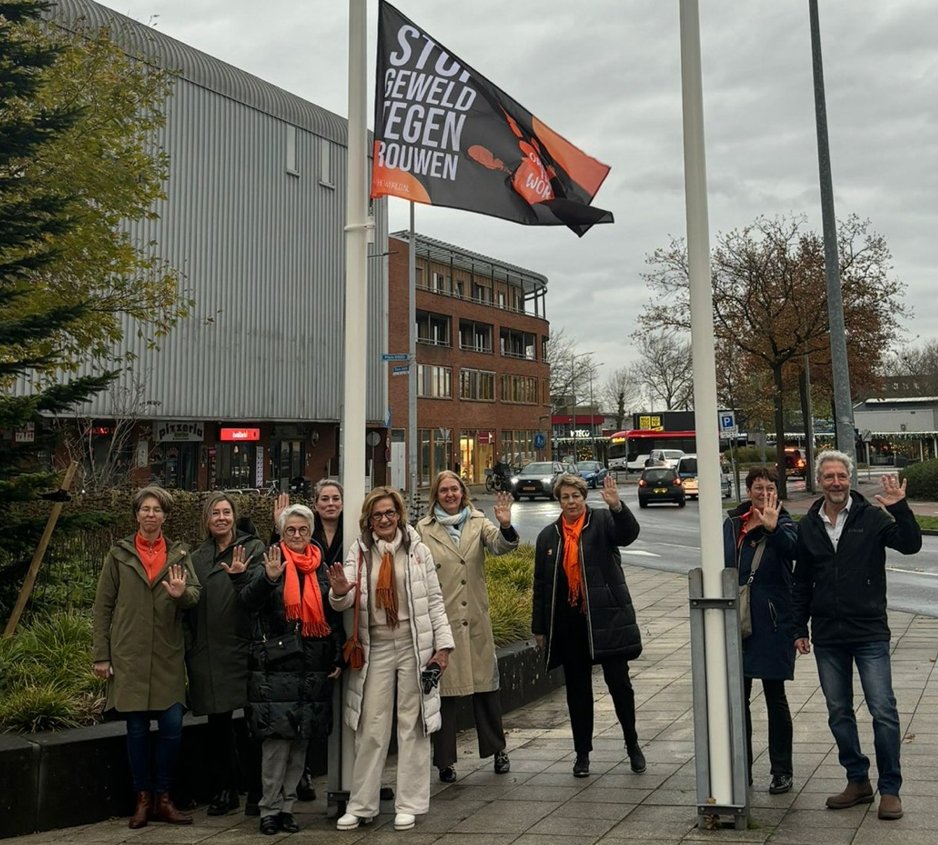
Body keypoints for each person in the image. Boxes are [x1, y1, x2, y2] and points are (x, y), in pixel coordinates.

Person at [793, 450, 922, 821]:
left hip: (868, 631)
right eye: (829, 476)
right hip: (828, 634)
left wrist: (900, 507)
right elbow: (801, 581)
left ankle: (890, 789)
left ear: (850, 479)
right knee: (838, 712)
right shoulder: (809, 525)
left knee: (883, 710)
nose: (836, 482)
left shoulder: (870, 517)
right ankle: (857, 779)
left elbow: (911, 544)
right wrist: (798, 628)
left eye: (842, 476)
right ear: (820, 480)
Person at [329, 487, 454, 832]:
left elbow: (434, 602)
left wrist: (442, 649)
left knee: (412, 724)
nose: (384, 520)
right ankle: (361, 804)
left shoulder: (418, 550)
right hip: (376, 645)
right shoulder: (361, 551)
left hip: (413, 644)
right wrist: (338, 591)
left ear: (399, 514)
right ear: (368, 520)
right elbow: (344, 599)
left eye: (390, 513)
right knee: (371, 726)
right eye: (377, 515)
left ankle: (409, 804)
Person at [92, 486, 200, 829]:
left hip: (167, 654)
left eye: (157, 509)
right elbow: (102, 608)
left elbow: (195, 596)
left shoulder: (180, 555)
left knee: (172, 725)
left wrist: (182, 595)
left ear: (165, 515)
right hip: (130, 655)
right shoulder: (119, 555)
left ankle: (163, 797)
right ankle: (141, 799)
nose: (151, 514)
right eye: (145, 509)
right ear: (136, 514)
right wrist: (101, 655)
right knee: (136, 729)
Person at [239, 504, 345, 835]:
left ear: (310, 532)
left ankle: (287, 807)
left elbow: (333, 618)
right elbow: (247, 601)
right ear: (281, 534)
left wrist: (338, 656)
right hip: (276, 669)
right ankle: (268, 809)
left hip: (313, 667)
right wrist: (269, 580)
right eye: (290, 531)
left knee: (300, 742)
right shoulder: (270, 561)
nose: (297, 536)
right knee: (276, 744)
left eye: (302, 530)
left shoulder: (322, 567)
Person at [532, 474, 644, 778]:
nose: (571, 502)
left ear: (584, 497)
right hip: (570, 625)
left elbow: (628, 534)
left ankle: (632, 744)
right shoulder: (548, 536)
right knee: (577, 692)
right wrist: (539, 628)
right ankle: (582, 753)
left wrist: (618, 506)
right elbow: (541, 586)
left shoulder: (604, 522)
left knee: (620, 685)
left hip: (607, 619)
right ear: (559, 501)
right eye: (565, 497)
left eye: (576, 496)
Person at [417, 471, 519, 783]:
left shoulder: (477, 521)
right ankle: (445, 761)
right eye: (444, 490)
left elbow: (500, 546)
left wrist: (504, 524)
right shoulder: (423, 529)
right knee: (445, 694)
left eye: (455, 490)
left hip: (474, 617)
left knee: (486, 688)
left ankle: (497, 749)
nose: (450, 495)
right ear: (436, 494)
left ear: (463, 493)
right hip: (443, 620)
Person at [184, 493, 265, 816]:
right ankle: (224, 789)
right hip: (208, 651)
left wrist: (239, 576)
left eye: (226, 512)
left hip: (243, 646)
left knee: (251, 724)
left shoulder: (252, 548)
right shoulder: (196, 558)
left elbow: (261, 591)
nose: (221, 518)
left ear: (234, 516)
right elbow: (187, 601)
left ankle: (256, 791)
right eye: (214, 513)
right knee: (217, 726)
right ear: (206, 520)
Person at [723, 467, 797, 794]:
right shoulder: (731, 524)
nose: (763, 492)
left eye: (769, 487)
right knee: (737, 699)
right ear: (748, 489)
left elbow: (796, 552)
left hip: (772, 622)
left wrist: (772, 529)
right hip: (735, 622)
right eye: (757, 487)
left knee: (775, 697)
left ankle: (782, 770)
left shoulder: (786, 522)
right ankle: (742, 767)